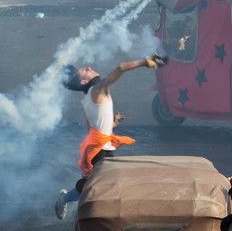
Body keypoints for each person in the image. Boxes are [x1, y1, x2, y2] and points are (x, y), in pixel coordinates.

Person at [53, 55, 165, 220]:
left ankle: (66, 199)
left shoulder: (88, 97)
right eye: (85, 70)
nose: (90, 67)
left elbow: (93, 127)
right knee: (101, 184)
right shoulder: (98, 89)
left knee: (95, 184)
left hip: (99, 148)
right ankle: (86, 210)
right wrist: (144, 62)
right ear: (83, 82)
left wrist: (111, 124)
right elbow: (120, 67)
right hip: (100, 150)